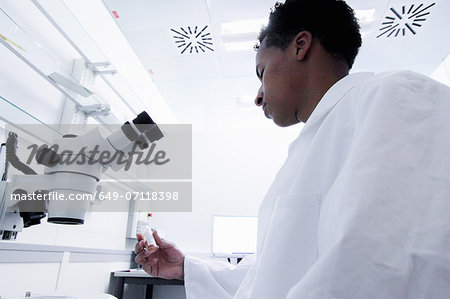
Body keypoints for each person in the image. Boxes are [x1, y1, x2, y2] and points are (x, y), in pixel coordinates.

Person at [135, 0, 450, 297]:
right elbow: (273, 278)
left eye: (262, 73)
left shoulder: (394, 95)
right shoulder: (308, 148)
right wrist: (186, 268)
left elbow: (388, 268)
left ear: (300, 45)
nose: (258, 96)